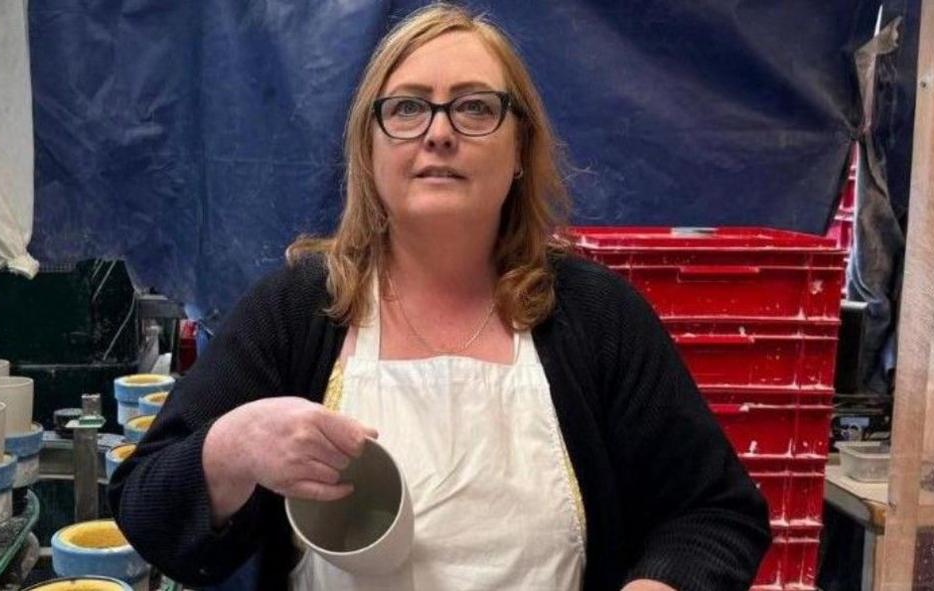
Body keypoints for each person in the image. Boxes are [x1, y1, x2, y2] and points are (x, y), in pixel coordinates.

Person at [109, 4, 771, 590]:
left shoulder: (597, 319)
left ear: (520, 149)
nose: (439, 131)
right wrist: (233, 446)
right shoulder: (298, 314)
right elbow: (148, 513)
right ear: (369, 151)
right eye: (407, 107)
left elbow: (715, 513)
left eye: (476, 106)